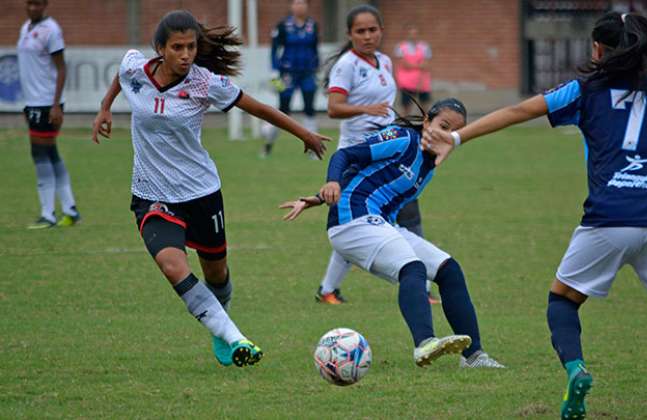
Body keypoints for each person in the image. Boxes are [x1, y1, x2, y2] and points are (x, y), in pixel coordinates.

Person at [423, 12, 647, 420]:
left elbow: (519, 111)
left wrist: (455, 137)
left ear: (597, 48)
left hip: (609, 217)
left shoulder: (584, 90)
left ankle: (576, 369)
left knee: (562, 301)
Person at [91, 10, 329, 368]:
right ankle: (235, 337)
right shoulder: (134, 68)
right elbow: (120, 76)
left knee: (216, 273)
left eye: (191, 46)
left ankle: (221, 328)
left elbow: (259, 108)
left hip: (201, 192)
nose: (186, 54)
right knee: (173, 267)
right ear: (160, 49)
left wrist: (305, 134)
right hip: (151, 193)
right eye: (177, 48)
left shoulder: (205, 82)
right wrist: (105, 108)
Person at [281, 98, 503, 368]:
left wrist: (315, 199)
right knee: (413, 268)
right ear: (427, 122)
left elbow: (370, 177)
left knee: (449, 270)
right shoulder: (403, 138)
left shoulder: (429, 165)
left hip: (381, 222)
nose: (445, 134)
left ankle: (474, 356)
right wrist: (330, 183)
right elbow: (347, 156)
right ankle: (425, 343)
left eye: (452, 131)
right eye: (442, 125)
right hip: (353, 219)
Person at [316, 4, 437, 305]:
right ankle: (328, 289)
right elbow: (333, 108)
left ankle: (421, 285)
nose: (367, 36)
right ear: (349, 34)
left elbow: (385, 106)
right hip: (357, 157)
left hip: (388, 151)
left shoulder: (383, 60)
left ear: (381, 31)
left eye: (372, 30)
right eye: (360, 31)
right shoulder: (346, 65)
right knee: (353, 223)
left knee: (407, 209)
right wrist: (364, 109)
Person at [17, 0, 80, 229]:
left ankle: (48, 214)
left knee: (40, 154)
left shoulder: (51, 30)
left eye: (38, 4)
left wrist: (55, 105)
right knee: (50, 153)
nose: (33, 8)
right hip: (33, 103)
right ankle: (70, 209)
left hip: (46, 104)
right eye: (30, 3)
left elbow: (61, 68)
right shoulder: (26, 27)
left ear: (45, 5)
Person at [260, 0, 320, 158]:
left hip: (307, 73)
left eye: (303, 3)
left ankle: (314, 149)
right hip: (287, 74)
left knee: (309, 109)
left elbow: (315, 49)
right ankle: (268, 145)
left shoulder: (312, 25)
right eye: (296, 3)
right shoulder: (282, 26)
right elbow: (274, 50)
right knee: (283, 110)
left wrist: (317, 69)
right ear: (291, 6)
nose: (300, 6)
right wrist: (274, 73)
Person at [393, 24, 432, 115]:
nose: (413, 36)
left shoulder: (425, 47)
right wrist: (419, 64)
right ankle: (403, 127)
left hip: (422, 82)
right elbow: (404, 64)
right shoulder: (400, 47)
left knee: (424, 108)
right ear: (407, 34)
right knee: (406, 108)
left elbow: (426, 64)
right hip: (406, 83)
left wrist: (411, 64)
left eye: (415, 33)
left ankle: (426, 128)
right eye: (411, 33)